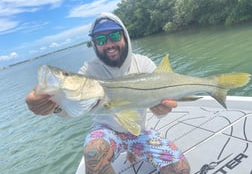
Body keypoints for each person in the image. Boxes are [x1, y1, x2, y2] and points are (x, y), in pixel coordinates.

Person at [26, 12, 190, 174]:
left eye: (115, 35)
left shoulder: (143, 63)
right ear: (95, 44)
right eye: (101, 40)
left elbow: (165, 103)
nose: (109, 43)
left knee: (181, 169)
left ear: (125, 36)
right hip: (105, 131)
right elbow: (72, 108)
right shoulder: (89, 71)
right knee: (93, 154)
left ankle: (135, 150)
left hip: (139, 131)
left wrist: (164, 108)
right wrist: (54, 105)